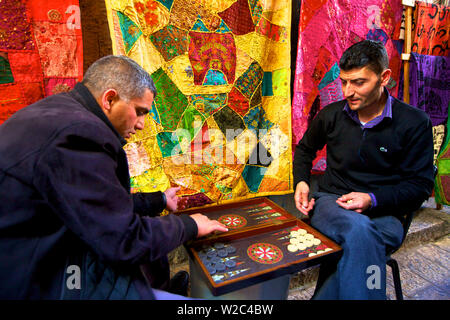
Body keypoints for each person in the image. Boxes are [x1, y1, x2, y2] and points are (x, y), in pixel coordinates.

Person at [0, 55, 228, 300]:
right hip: (41, 279)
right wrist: (190, 225)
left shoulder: (60, 111)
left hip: (36, 255)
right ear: (109, 99)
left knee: (152, 266)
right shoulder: (79, 134)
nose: (141, 124)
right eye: (139, 112)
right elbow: (124, 240)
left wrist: (158, 201)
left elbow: (94, 205)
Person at [293, 40, 434, 299]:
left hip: (386, 214)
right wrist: (301, 182)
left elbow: (421, 186)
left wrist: (372, 199)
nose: (348, 91)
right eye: (344, 82)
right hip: (331, 204)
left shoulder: (414, 123)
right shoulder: (331, 115)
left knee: (360, 241)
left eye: (359, 82)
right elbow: (304, 150)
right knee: (360, 232)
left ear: (384, 78)